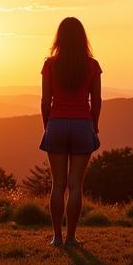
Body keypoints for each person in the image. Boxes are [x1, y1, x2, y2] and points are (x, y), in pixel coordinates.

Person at [39, 17, 102, 248]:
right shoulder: (92, 66)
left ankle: (56, 237)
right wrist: (94, 125)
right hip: (82, 124)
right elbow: (96, 100)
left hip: (56, 123)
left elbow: (45, 101)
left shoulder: (50, 65)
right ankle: (71, 238)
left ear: (60, 38)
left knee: (58, 184)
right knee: (75, 185)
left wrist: (47, 125)